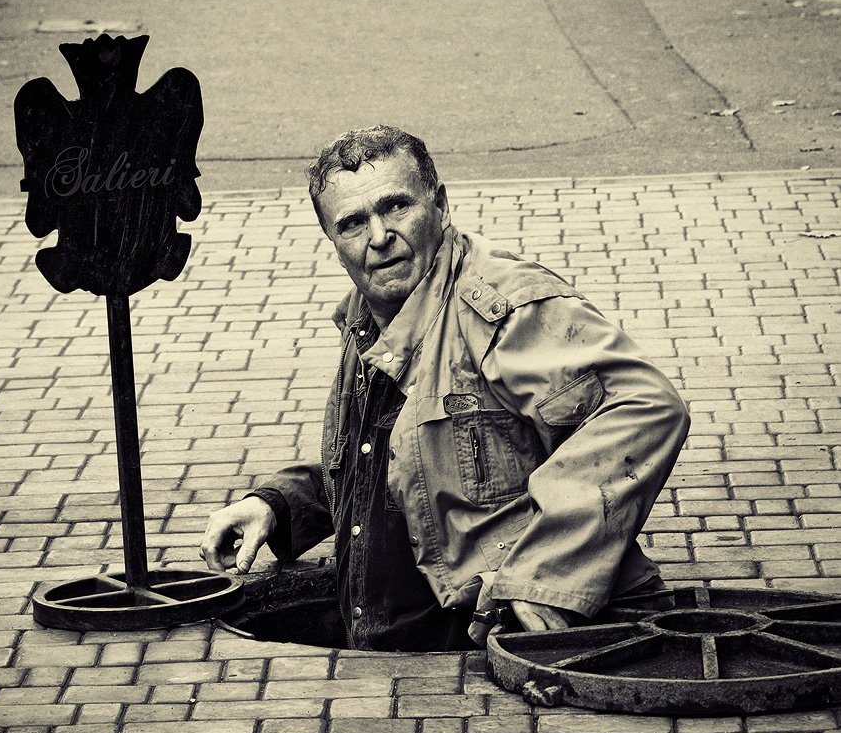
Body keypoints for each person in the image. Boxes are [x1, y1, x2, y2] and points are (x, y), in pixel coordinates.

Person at [200, 125, 690, 652]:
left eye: (396, 206)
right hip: (402, 656)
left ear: (440, 205)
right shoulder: (370, 317)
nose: (379, 236)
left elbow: (644, 407)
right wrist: (278, 505)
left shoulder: (500, 310)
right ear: (334, 243)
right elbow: (401, 468)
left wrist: (546, 574)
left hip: (494, 647)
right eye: (353, 223)